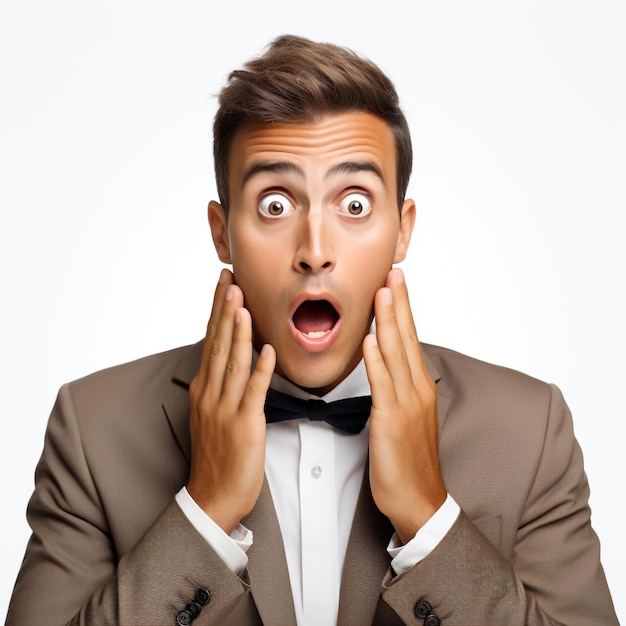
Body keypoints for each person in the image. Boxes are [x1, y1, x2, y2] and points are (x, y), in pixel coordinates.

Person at [5, 34, 618, 626]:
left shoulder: (529, 429)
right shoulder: (92, 428)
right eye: (275, 203)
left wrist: (430, 521)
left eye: (355, 203)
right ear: (222, 232)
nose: (315, 251)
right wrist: (202, 513)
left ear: (403, 229)